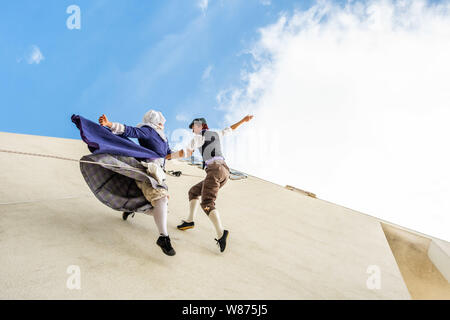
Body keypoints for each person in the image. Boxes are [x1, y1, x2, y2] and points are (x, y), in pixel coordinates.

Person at [166, 115, 254, 252]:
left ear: (200, 126)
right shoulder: (216, 133)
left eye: (193, 128)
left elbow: (185, 153)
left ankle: (221, 233)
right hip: (224, 172)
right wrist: (243, 120)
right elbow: (230, 129)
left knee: (207, 203)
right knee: (194, 191)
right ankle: (189, 221)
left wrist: (168, 157)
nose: (192, 131)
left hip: (214, 169)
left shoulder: (198, 137)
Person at [98, 110, 176, 256]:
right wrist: (109, 124)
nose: (162, 124)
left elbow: (168, 154)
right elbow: (130, 131)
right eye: (161, 121)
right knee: (161, 199)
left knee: (161, 208)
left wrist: (185, 152)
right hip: (148, 170)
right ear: (155, 121)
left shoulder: (163, 138)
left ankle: (131, 208)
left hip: (159, 173)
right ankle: (163, 238)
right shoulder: (148, 130)